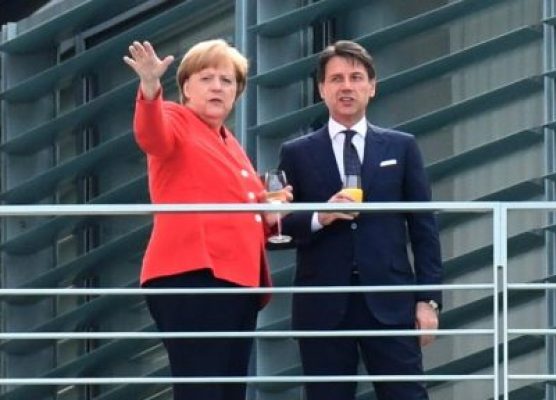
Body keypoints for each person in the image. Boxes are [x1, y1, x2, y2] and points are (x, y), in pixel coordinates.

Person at [123, 39, 290, 400]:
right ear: (185, 87)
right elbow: (151, 134)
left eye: (227, 81)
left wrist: (270, 215)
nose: (218, 86)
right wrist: (150, 87)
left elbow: (239, 217)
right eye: (207, 77)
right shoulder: (177, 119)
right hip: (192, 273)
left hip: (237, 281)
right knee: (202, 389)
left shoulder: (231, 143)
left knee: (228, 391)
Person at [278, 40, 442, 400]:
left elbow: (424, 227)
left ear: (372, 86)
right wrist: (320, 216)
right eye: (336, 79)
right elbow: (279, 228)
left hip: (390, 301)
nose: (346, 86)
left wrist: (428, 300)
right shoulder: (297, 153)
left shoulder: (401, 146)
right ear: (322, 90)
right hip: (323, 304)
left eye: (355, 77)